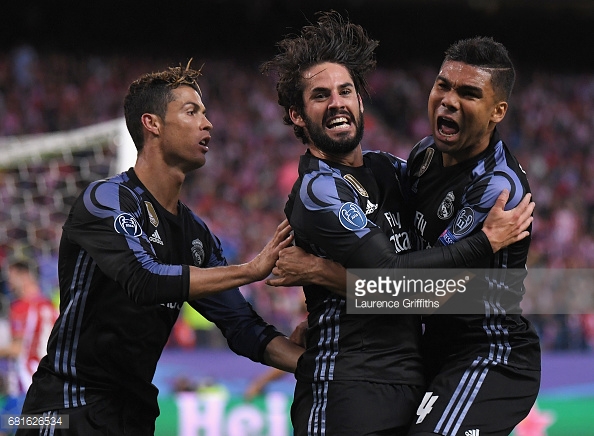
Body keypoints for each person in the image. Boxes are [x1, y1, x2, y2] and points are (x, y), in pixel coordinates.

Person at [260, 11, 534, 436]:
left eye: (346, 90)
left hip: (480, 353)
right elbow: (395, 279)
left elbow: (411, 290)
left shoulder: (487, 188)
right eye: (442, 85)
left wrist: (324, 273)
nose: (448, 100)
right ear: (297, 115)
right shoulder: (348, 182)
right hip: (352, 383)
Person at [15, 62, 304, 435]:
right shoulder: (105, 199)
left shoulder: (195, 236)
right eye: (191, 111)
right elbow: (143, 278)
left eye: (205, 112)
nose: (208, 123)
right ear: (152, 124)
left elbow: (242, 327)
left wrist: (317, 364)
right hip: (65, 407)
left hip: (133, 415)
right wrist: (251, 269)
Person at [0, 257, 57, 399]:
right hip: (50, 379)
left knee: (13, 421)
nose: (9, 283)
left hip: (26, 380)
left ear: (24, 275)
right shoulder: (49, 306)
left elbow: (17, 348)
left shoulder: (21, 308)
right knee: (54, 421)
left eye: (11, 277)